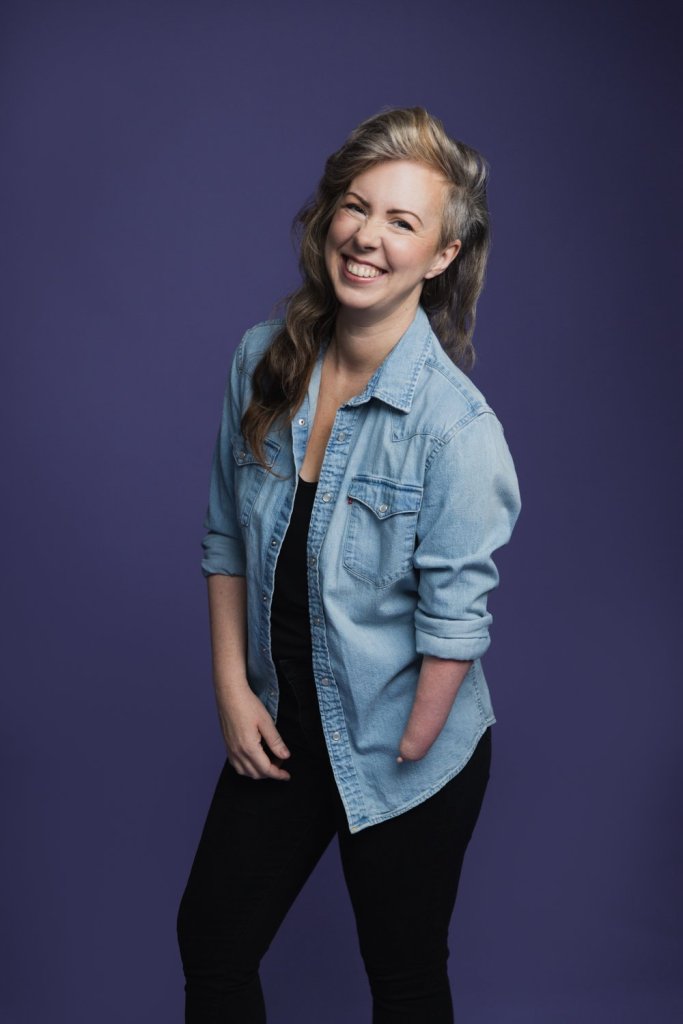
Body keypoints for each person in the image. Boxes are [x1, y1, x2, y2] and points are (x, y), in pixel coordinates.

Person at [177, 106, 521, 1023]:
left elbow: (456, 616)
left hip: (404, 743)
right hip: (282, 723)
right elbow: (224, 538)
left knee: (402, 979)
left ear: (441, 255)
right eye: (356, 206)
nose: (368, 237)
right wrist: (232, 689)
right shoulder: (262, 359)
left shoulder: (456, 428)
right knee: (212, 943)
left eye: (402, 221)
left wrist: (407, 748)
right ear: (329, 214)